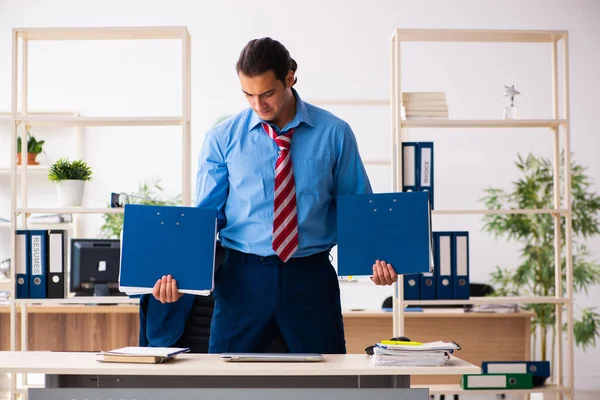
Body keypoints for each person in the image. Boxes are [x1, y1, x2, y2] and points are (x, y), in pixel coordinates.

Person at [153, 37, 398, 354]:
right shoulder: (222, 139)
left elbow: (358, 208)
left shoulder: (335, 133)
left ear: (290, 77)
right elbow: (206, 219)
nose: (258, 104)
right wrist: (179, 277)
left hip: (310, 278)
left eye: (267, 93)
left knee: (328, 380)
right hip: (242, 279)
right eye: (248, 95)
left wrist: (375, 263)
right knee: (221, 382)